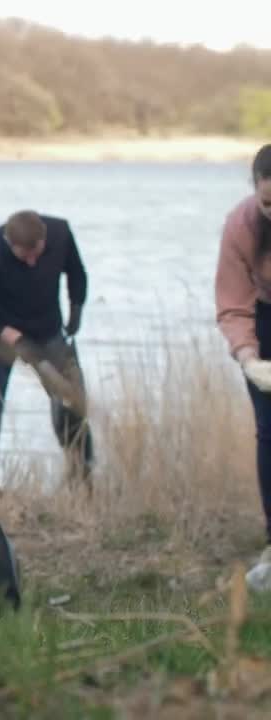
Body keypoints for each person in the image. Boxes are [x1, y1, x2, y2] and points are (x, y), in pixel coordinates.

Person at [0, 209, 92, 490]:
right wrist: (8, 334)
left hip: (48, 331)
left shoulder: (60, 233)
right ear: (11, 245)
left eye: (38, 253)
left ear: (44, 238)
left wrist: (76, 311)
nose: (33, 262)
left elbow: (77, 275)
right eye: (25, 256)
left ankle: (82, 479)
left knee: (72, 403)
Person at [215, 144, 271, 589]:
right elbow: (233, 304)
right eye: (269, 202)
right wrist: (248, 358)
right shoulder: (241, 225)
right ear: (254, 191)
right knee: (269, 431)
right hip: (265, 319)